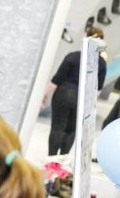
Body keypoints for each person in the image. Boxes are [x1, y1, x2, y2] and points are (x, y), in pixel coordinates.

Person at [42, 26, 107, 155]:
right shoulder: (101, 63)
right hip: (82, 98)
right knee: (72, 130)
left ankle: (52, 160)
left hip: (64, 94)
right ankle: (63, 158)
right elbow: (97, 90)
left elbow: (57, 80)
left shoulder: (73, 57)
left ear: (85, 37)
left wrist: (44, 94)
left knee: (57, 128)